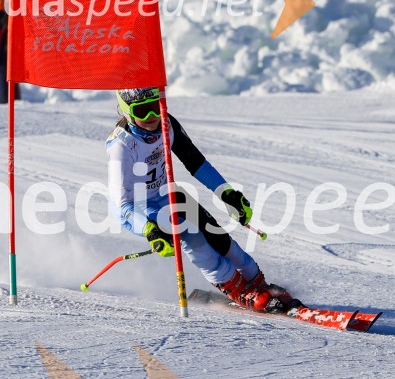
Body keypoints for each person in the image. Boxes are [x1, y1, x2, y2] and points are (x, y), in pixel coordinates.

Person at [106, 87, 298, 312]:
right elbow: (122, 206)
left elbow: (196, 162)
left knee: (216, 235)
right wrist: (150, 229)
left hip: (167, 194)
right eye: (143, 111)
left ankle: (257, 283)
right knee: (195, 240)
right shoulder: (122, 145)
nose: (152, 117)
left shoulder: (166, 123)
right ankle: (241, 292)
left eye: (155, 107)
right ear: (128, 112)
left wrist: (227, 194)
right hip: (139, 208)